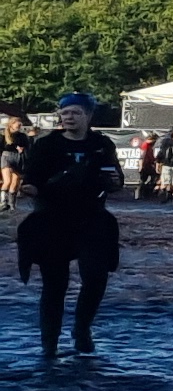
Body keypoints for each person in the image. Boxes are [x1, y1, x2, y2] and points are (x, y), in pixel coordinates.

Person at [15, 91, 124, 360]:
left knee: (96, 276)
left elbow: (115, 176)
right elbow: (32, 178)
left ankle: (81, 328)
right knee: (55, 284)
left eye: (75, 112)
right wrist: (29, 188)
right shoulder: (47, 144)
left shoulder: (101, 144)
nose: (69, 117)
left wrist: (113, 182)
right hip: (53, 218)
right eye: (65, 113)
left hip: (91, 218)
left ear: (88, 116)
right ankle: (50, 343)